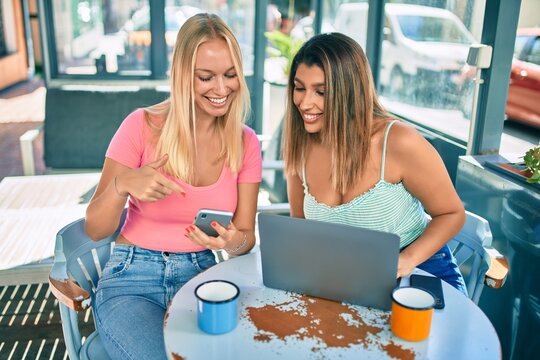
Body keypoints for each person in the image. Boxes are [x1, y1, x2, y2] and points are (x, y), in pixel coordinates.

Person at [85, 14, 262, 359]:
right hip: (131, 278)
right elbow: (95, 228)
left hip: (201, 275)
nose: (222, 89)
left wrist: (231, 241)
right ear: (183, 77)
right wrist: (122, 184)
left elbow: (245, 237)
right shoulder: (141, 126)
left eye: (230, 76)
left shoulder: (245, 142)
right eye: (206, 77)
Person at [282, 32, 467, 295]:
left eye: (321, 92)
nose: (305, 102)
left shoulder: (398, 141)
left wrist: (407, 259)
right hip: (350, 275)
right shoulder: (301, 142)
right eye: (299, 88)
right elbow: (300, 224)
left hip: (421, 271)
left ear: (350, 92)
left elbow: (452, 214)